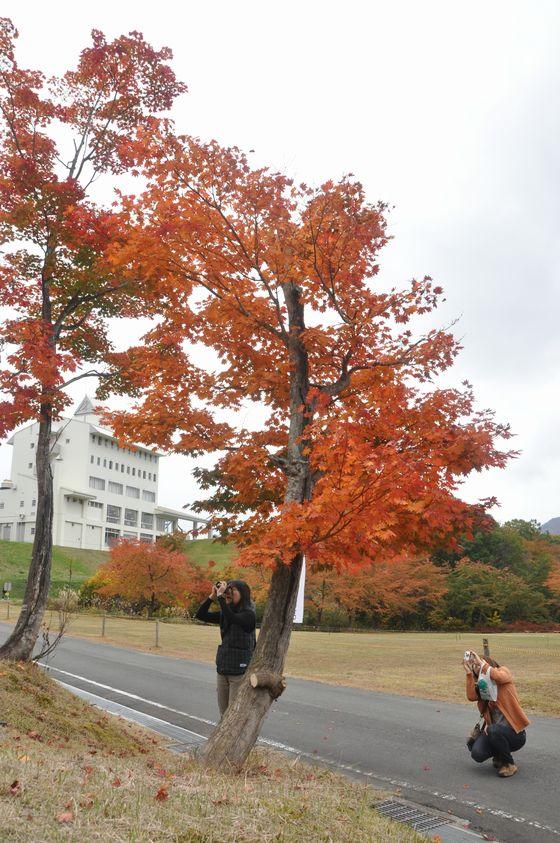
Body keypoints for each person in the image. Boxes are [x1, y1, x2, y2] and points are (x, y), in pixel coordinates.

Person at [463, 650, 530, 778]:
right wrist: (468, 673)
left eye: (479, 665)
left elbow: (499, 677)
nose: (477, 669)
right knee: (477, 753)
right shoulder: (483, 688)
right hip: (495, 733)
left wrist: (482, 664)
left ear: (490, 665)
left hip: (516, 734)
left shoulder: (503, 672)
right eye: (475, 667)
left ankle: (510, 764)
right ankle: (499, 755)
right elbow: (471, 696)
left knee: (493, 729)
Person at [195, 579, 256, 718]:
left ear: (243, 594)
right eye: (227, 589)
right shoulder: (226, 613)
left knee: (233, 714)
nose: (227, 593)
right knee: (223, 713)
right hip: (223, 668)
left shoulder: (248, 614)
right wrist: (212, 597)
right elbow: (200, 615)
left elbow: (233, 618)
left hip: (239, 671)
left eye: (232, 590)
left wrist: (221, 598)